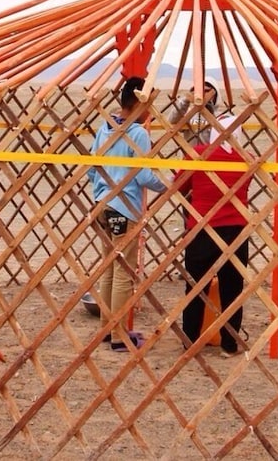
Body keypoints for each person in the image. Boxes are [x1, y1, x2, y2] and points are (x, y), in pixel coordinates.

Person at [87, 76, 168, 352]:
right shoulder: (137, 134)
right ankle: (119, 334)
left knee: (109, 268)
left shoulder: (104, 128)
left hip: (101, 205)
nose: (148, 112)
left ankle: (106, 329)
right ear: (136, 102)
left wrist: (102, 190)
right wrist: (165, 186)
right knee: (123, 272)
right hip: (124, 207)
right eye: (146, 105)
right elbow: (143, 174)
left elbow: (90, 167)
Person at [176, 115, 250, 358]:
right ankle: (229, 344)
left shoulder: (197, 154)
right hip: (236, 230)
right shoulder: (246, 159)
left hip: (202, 229)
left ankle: (190, 341)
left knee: (196, 286)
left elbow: (179, 186)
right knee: (232, 288)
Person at [168, 76, 221, 146]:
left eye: (207, 91)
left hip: (213, 156)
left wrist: (210, 107)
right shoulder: (188, 114)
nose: (203, 94)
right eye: (199, 91)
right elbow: (172, 121)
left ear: (215, 93)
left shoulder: (221, 116)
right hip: (190, 155)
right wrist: (186, 100)